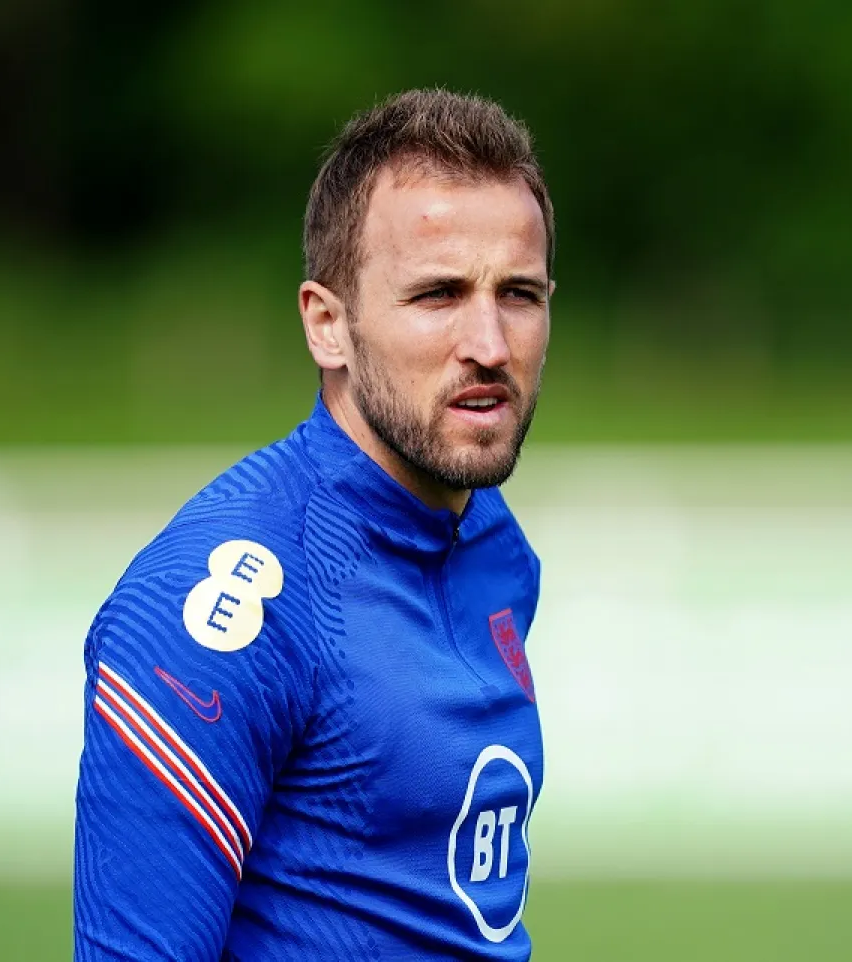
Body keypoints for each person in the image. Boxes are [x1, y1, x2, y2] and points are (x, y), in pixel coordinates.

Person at [73, 89, 553, 961]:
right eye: (439, 295)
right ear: (328, 325)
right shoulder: (218, 611)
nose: (489, 341)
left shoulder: (493, 545)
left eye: (518, 293)